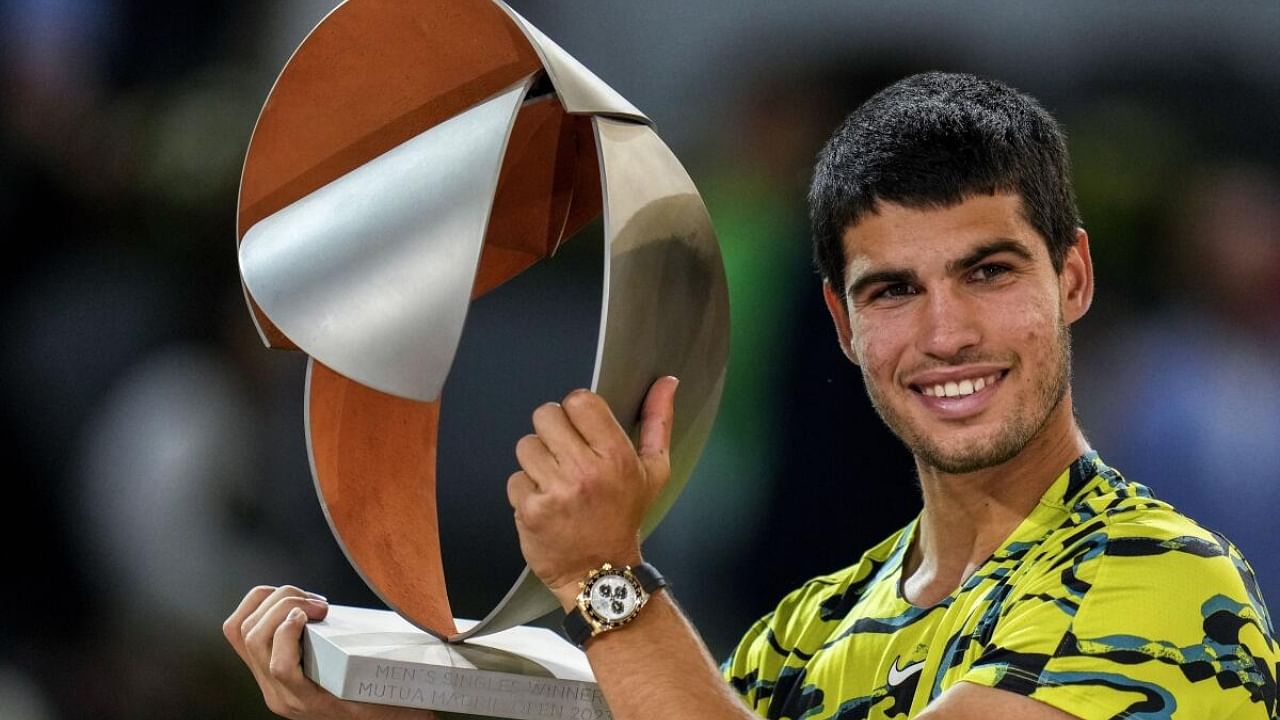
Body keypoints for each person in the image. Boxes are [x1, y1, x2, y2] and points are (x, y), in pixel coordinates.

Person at [223, 72, 1279, 719]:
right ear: (842, 325)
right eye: (893, 290)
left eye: (989, 271)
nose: (946, 332)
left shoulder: (1166, 587)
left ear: (1074, 279)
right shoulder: (802, 632)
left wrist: (604, 578)